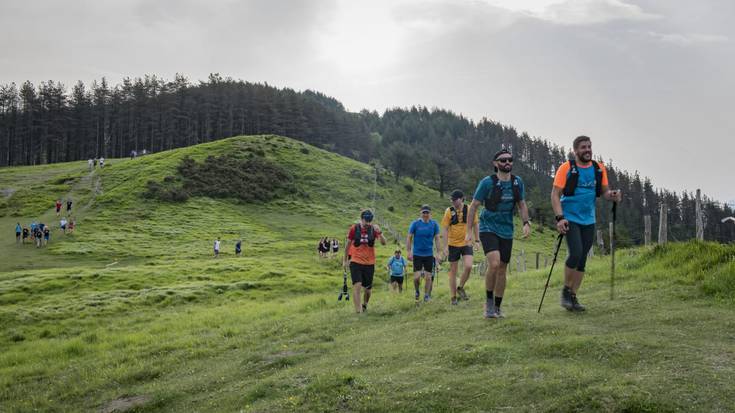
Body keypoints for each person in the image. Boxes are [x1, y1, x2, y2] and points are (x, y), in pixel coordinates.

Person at [551, 135, 622, 312]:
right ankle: (566, 291)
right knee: (575, 253)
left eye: (589, 147)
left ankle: (573, 298)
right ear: (575, 150)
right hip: (570, 217)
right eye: (583, 147)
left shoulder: (599, 169)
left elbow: (604, 193)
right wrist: (560, 218)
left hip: (589, 219)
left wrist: (612, 195)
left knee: (582, 259)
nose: (587, 150)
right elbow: (555, 194)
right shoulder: (566, 168)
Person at [466, 149, 531, 319]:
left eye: (510, 159)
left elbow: (522, 204)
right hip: (488, 227)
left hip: (507, 229)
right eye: (503, 160)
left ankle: (497, 306)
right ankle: (488, 303)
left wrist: (526, 223)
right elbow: (473, 206)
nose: (507, 162)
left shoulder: (518, 182)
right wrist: (469, 232)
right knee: (494, 264)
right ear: (496, 164)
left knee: (502, 268)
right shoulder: (487, 183)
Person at [441, 189, 480, 305]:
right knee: (453, 271)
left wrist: (477, 240)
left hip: (467, 242)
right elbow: (445, 229)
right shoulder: (448, 211)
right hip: (453, 244)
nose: (453, 202)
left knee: (468, 266)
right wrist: (445, 246)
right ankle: (453, 297)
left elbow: (476, 224)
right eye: (451, 200)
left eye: (455, 200)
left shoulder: (470, 209)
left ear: (461, 199)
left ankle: (460, 287)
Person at [344, 209, 386, 314]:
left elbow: (384, 243)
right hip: (355, 261)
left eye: (370, 220)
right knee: (357, 285)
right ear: (361, 219)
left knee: (367, 289)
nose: (368, 223)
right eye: (366, 220)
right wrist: (345, 260)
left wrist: (380, 232)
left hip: (369, 263)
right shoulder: (354, 229)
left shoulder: (373, 229)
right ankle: (358, 312)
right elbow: (347, 245)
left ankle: (365, 305)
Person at [407, 205, 442, 303]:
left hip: (429, 255)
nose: (425, 214)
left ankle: (426, 296)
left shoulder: (434, 224)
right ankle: (417, 291)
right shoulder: (415, 224)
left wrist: (439, 252)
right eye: (424, 212)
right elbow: (409, 237)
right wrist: (409, 251)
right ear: (421, 213)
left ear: (430, 214)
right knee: (417, 277)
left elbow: (437, 239)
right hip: (417, 254)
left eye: (427, 213)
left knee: (428, 277)